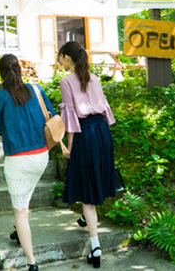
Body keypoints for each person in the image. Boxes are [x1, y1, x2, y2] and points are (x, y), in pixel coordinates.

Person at [0, 54, 56, 271]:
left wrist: (13, 132)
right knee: (23, 197)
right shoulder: (35, 89)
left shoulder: (0, 96)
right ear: (19, 69)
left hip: (17, 160)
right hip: (41, 156)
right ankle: (15, 230)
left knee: (21, 212)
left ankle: (31, 262)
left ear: (1, 72)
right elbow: (51, 115)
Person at [58, 41, 116, 269]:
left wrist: (69, 148)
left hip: (84, 134)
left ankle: (95, 246)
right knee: (96, 177)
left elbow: (71, 119)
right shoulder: (96, 79)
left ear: (67, 58)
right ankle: (84, 219)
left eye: (60, 57)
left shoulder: (66, 82)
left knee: (87, 193)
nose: (59, 61)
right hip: (102, 132)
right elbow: (104, 111)